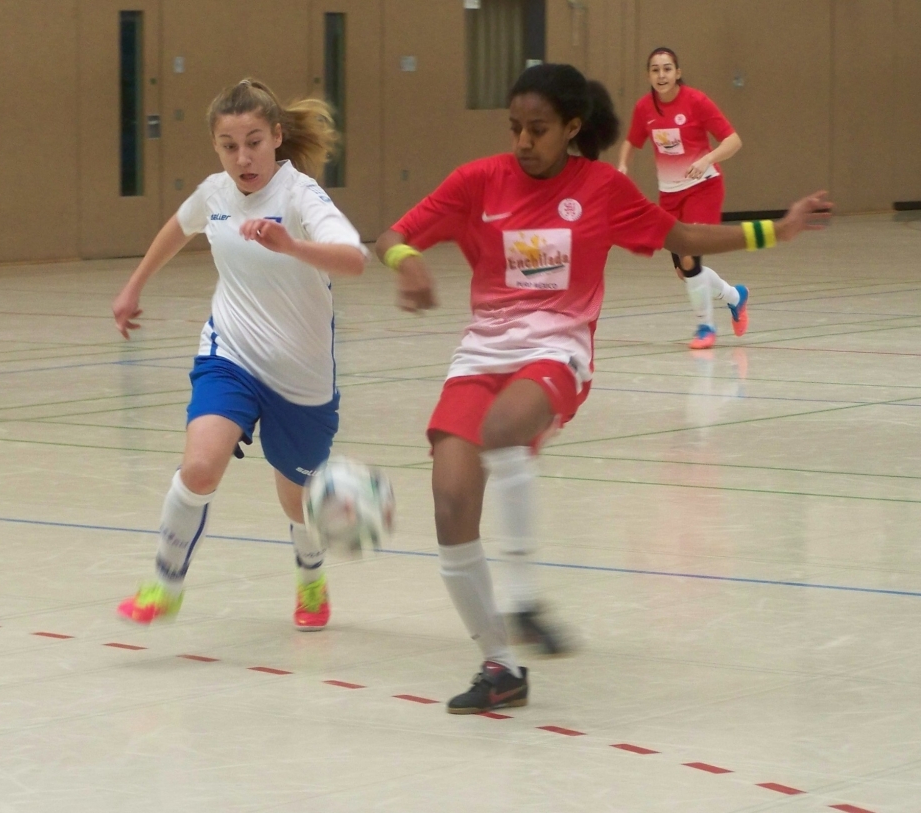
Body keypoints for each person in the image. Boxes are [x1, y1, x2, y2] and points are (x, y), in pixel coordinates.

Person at [375, 63, 830, 714]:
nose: (523, 141)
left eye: (537, 129)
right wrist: (407, 263)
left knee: (502, 430)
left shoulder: (601, 188)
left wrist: (776, 230)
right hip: (482, 352)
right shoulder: (478, 180)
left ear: (571, 128)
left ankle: (523, 595)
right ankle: (500, 665)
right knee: (449, 502)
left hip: (558, 350)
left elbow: (683, 236)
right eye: (514, 128)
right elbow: (391, 236)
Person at [112, 79, 367, 630]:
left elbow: (354, 260)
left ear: (276, 136)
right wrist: (134, 286)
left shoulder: (300, 195)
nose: (242, 157)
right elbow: (176, 229)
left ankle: (310, 575)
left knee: (297, 503)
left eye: (253, 142)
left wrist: (291, 245)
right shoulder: (214, 194)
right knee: (200, 467)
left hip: (301, 376)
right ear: (216, 146)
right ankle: (165, 583)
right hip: (230, 354)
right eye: (229, 146)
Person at [617, 47, 747, 350]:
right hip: (670, 196)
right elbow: (631, 142)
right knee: (684, 271)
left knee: (689, 258)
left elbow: (733, 140)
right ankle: (735, 296)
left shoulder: (696, 101)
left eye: (667, 69)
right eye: (655, 70)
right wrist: (622, 166)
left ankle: (705, 328)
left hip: (703, 188)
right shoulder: (644, 108)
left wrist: (707, 159)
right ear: (648, 75)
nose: (661, 75)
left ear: (677, 73)